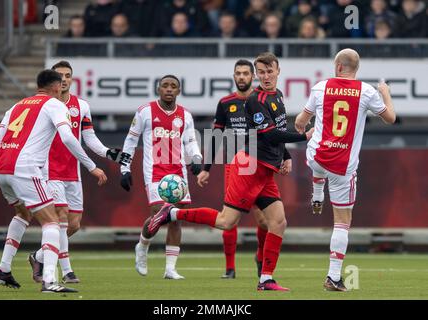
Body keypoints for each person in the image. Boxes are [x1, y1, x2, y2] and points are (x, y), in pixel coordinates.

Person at [145, 52, 313, 291]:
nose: (265, 76)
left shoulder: (278, 95)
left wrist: (285, 156)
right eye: (261, 72)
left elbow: (278, 130)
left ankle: (266, 278)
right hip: (248, 166)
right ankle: (171, 214)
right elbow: (269, 134)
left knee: (278, 221)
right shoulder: (255, 100)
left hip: (265, 169)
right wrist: (303, 136)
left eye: (269, 71)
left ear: (278, 71)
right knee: (226, 221)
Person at [0, 70, 107, 293]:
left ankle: (3, 269)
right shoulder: (55, 104)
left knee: (22, 214)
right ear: (57, 86)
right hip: (25, 168)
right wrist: (91, 166)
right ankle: (50, 281)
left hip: (2, 167)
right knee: (52, 221)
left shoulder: (18, 105)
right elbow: (68, 137)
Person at [294, 48, 396, 291]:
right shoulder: (367, 91)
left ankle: (317, 192)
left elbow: (299, 122)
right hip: (343, 166)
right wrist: (386, 94)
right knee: (342, 221)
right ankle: (333, 276)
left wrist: (309, 129)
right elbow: (390, 118)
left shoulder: (320, 87)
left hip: (317, 158)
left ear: (338, 66)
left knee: (315, 153)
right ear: (356, 69)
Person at [28, 61, 130, 284]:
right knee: (61, 218)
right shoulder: (46, 105)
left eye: (68, 75)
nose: (64, 79)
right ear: (53, 80)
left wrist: (108, 153)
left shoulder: (81, 106)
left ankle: (39, 255)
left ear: (72, 79)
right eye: (60, 75)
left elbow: (89, 138)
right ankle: (66, 270)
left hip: (72, 171)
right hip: (49, 169)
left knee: (74, 224)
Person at [120, 75, 202, 280]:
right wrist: (124, 168)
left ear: (178, 91)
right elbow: (131, 140)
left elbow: (191, 141)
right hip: (154, 172)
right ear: (158, 89)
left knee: (176, 219)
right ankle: (142, 245)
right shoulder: (145, 112)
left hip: (178, 173)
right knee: (161, 212)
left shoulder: (185, 115)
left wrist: (197, 158)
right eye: (165, 85)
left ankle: (170, 269)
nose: (169, 89)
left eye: (173, 86)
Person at [197, 59, 269, 279]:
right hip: (234, 164)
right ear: (234, 76)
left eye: (246, 73)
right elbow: (216, 135)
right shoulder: (225, 103)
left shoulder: (262, 100)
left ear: (253, 76)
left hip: (259, 163)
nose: (241, 77)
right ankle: (230, 268)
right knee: (230, 218)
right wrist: (206, 168)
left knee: (264, 220)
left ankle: (259, 255)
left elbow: (273, 132)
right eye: (238, 73)